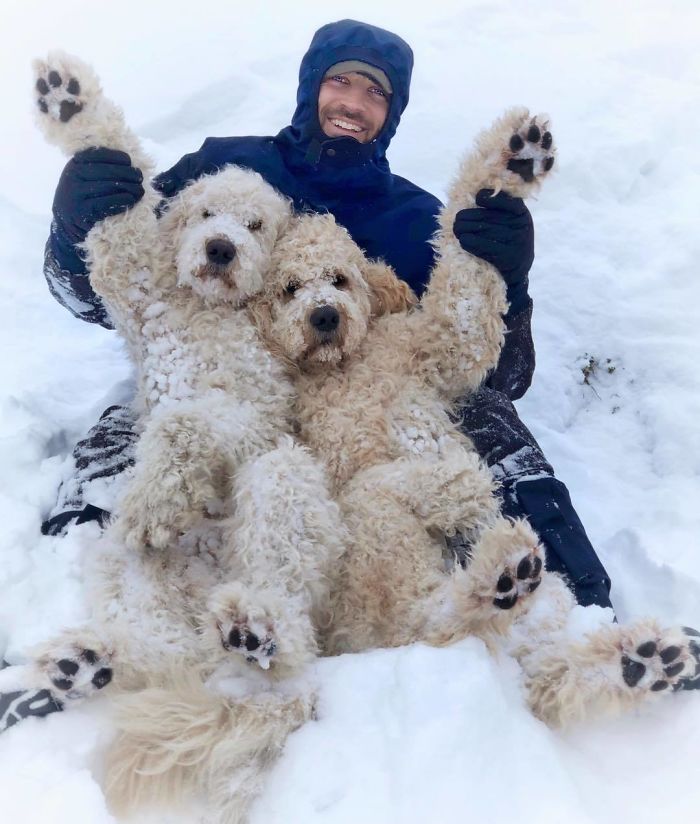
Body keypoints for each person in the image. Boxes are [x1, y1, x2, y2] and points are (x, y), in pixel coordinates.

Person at [42, 19, 612, 611]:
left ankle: (581, 612)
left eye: (377, 93)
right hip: (221, 382)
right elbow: (111, 298)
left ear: (392, 114)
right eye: (341, 81)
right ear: (312, 84)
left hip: (360, 405)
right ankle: (62, 612)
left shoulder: (417, 222)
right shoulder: (220, 167)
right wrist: (75, 229)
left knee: (491, 422)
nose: (355, 104)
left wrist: (508, 283)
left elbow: (499, 376)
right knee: (131, 427)